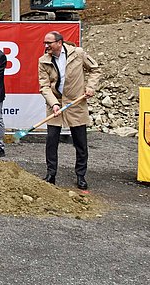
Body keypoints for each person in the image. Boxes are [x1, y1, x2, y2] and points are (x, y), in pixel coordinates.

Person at [38, 31, 100, 189]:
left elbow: (95, 69)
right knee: (51, 140)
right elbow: (44, 86)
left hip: (76, 103)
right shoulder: (43, 61)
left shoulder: (77, 54)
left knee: (80, 142)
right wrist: (53, 104)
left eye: (49, 43)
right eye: (45, 43)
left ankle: (81, 175)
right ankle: (51, 174)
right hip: (56, 103)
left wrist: (90, 87)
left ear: (59, 43)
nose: (46, 46)